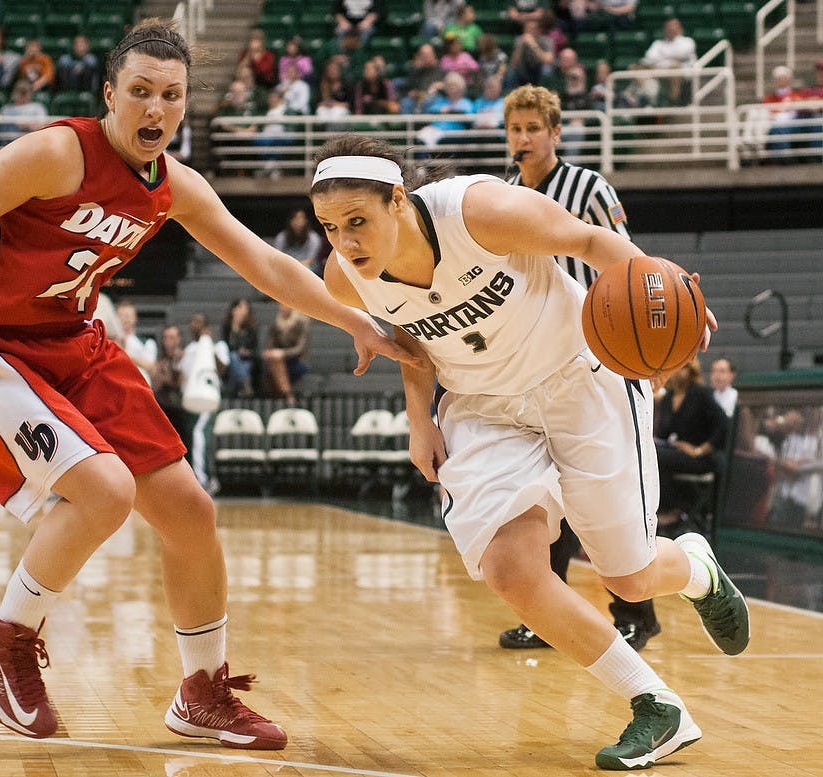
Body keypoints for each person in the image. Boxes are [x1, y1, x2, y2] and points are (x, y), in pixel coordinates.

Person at [0, 17, 411, 748]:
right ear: (110, 95)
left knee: (188, 510)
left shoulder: (174, 185)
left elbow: (265, 266)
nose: (155, 109)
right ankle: (4, 632)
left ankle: (202, 691)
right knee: (106, 491)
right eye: (140, 91)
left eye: (170, 96)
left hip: (75, 343)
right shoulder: (57, 154)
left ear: (183, 104)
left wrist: (352, 319)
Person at [310, 133, 749, 770]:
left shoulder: (477, 211)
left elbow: (592, 244)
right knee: (512, 570)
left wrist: (665, 295)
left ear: (399, 201)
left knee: (625, 575)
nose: (346, 243)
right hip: (483, 407)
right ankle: (656, 705)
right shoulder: (346, 276)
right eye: (330, 227)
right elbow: (406, 335)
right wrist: (418, 421)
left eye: (358, 222)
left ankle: (695, 569)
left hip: (580, 378)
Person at [498, 84, 660, 650]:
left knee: (609, 492)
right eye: (515, 129)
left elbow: (627, 259)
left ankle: (637, 611)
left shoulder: (589, 187)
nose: (522, 138)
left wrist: (643, 349)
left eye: (532, 128)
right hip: (538, 359)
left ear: (555, 132)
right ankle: (549, 613)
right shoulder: (505, 195)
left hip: (602, 352)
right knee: (547, 492)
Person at [654, 358, 730, 536]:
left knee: (657, 456)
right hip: (676, 452)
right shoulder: (668, 397)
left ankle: (671, 509)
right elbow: (665, 433)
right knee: (650, 452)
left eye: (683, 368)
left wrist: (699, 449)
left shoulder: (700, 394)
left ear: (691, 371)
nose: (678, 372)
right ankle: (664, 508)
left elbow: (723, 425)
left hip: (700, 457)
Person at [180, 313, 228, 494]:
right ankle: (197, 478)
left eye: (198, 322)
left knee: (200, 435)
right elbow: (183, 376)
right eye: (192, 321)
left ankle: (204, 480)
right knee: (193, 439)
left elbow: (223, 369)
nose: (194, 325)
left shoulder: (218, 346)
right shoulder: (190, 349)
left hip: (208, 399)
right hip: (190, 400)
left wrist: (208, 345)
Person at [640, 18, 696, 106]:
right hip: (659, 71)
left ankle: (674, 100)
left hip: (681, 73)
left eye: (673, 27)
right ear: (664, 29)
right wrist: (669, 59)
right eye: (669, 27)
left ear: (680, 29)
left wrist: (662, 58)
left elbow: (682, 54)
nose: (671, 29)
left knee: (674, 68)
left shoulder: (687, 41)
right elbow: (649, 58)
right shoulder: (658, 43)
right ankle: (640, 98)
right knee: (635, 67)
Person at [262, 303, 310, 403]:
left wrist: (282, 353)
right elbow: (270, 344)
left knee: (276, 361)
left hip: (297, 361)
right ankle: (287, 395)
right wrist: (270, 352)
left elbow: (300, 349)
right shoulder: (276, 323)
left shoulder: (301, 322)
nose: (281, 307)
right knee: (274, 360)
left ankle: (285, 395)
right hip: (279, 360)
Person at [221, 298, 259, 398]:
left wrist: (247, 352)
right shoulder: (227, 327)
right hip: (231, 358)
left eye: (245, 308)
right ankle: (245, 386)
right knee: (234, 357)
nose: (242, 311)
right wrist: (235, 325)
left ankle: (231, 390)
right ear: (233, 310)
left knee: (244, 365)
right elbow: (225, 345)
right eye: (240, 307)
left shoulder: (251, 328)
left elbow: (255, 348)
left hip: (248, 359)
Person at [115, 300, 157, 387]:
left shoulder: (147, 343)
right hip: (118, 387)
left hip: (141, 388)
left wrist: (125, 356)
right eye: (121, 316)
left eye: (128, 316)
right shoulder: (110, 342)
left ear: (135, 318)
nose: (125, 319)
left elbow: (150, 366)